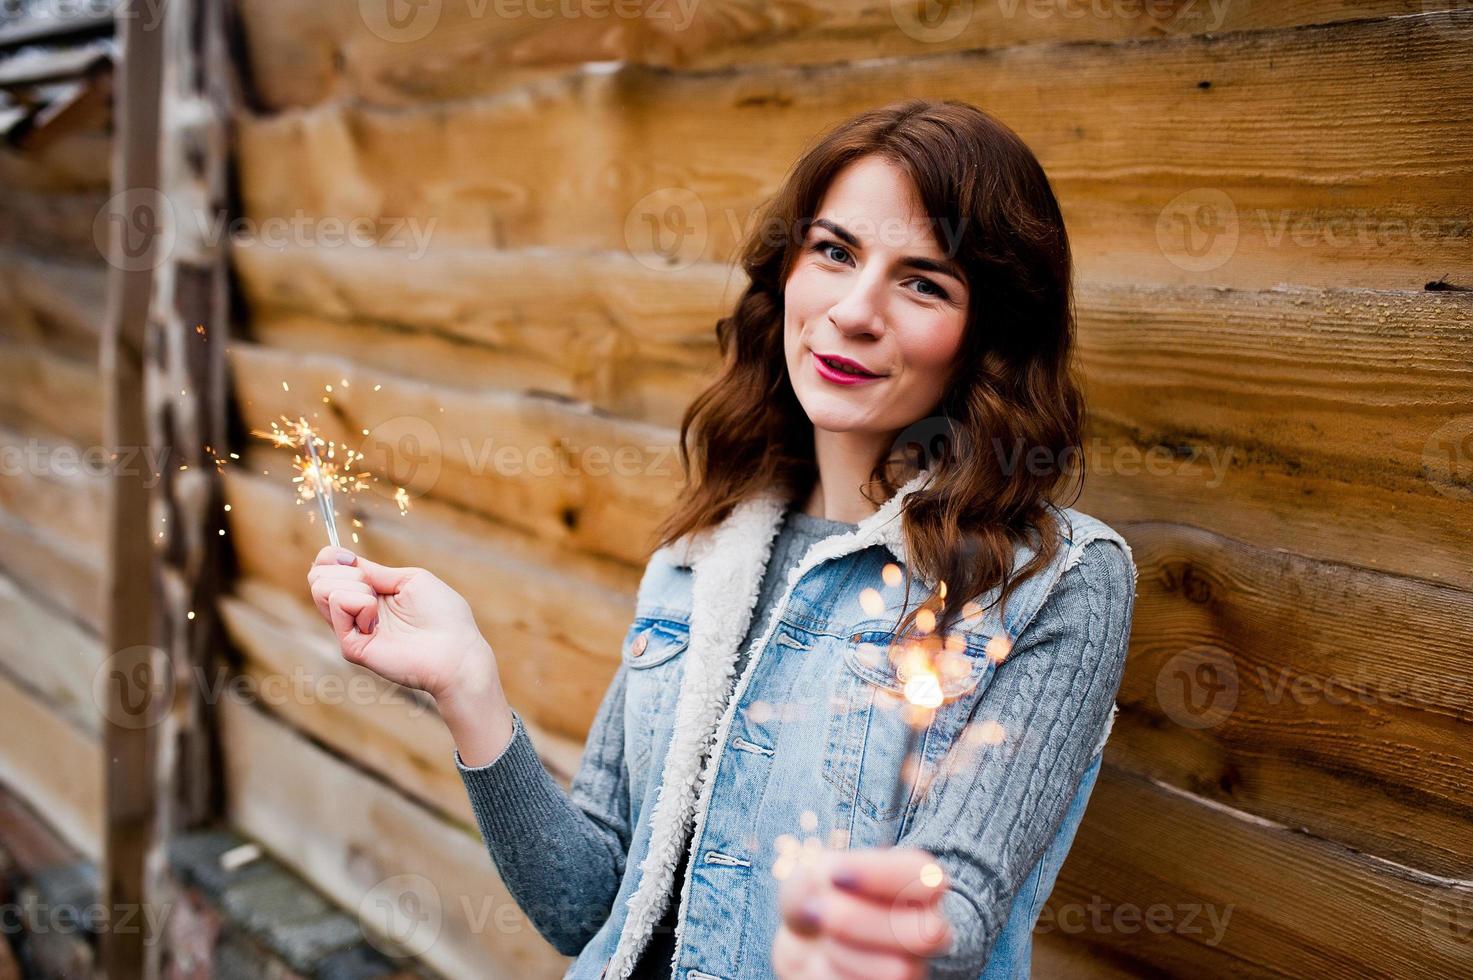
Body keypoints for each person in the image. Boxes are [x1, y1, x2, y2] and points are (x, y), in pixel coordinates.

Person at [306, 99, 1137, 980]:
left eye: (923, 282)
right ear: (786, 270)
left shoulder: (1055, 581)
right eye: (834, 251)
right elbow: (589, 908)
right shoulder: (701, 556)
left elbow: (958, 906)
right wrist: (465, 685)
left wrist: (884, 926)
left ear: (990, 334)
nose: (855, 311)